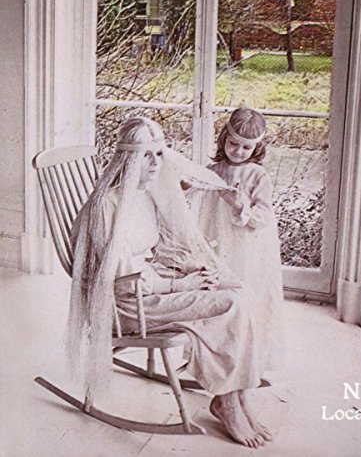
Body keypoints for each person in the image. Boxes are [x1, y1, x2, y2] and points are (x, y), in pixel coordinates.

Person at [67, 116, 273, 447]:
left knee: (237, 288)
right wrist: (182, 285)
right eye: (145, 155)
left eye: (159, 154)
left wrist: (195, 269)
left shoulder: (144, 193)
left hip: (151, 284)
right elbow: (120, 282)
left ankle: (238, 393)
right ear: (127, 158)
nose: (155, 163)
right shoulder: (107, 207)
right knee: (230, 304)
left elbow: (159, 248)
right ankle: (227, 401)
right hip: (128, 305)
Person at [190, 108, 284, 372]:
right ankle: (214, 354)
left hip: (247, 248)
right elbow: (193, 192)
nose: (239, 151)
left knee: (246, 294)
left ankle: (247, 355)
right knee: (215, 292)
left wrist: (240, 205)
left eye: (246, 147)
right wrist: (186, 183)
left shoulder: (257, 175)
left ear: (256, 148)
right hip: (217, 242)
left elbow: (262, 217)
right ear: (223, 139)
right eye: (233, 144)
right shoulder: (213, 170)